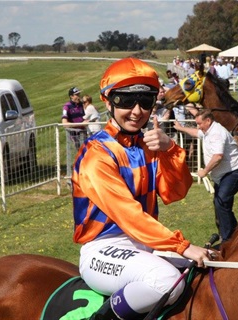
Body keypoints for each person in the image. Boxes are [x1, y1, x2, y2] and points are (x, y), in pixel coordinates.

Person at [72, 57, 212, 320]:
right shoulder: (96, 154)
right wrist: (180, 246)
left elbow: (176, 192)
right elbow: (130, 215)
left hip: (143, 246)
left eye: (145, 102)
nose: (137, 111)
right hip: (101, 250)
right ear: (107, 100)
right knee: (167, 280)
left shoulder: (148, 147)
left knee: (210, 266)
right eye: (126, 101)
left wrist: (170, 150)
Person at [174, 109, 238, 241]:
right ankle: (236, 233)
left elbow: (218, 156)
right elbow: (197, 133)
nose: (198, 126)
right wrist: (181, 128)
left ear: (208, 121)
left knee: (221, 202)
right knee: (221, 204)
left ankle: (228, 238)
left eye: (200, 123)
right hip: (222, 175)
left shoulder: (217, 133)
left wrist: (205, 171)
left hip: (233, 172)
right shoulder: (208, 131)